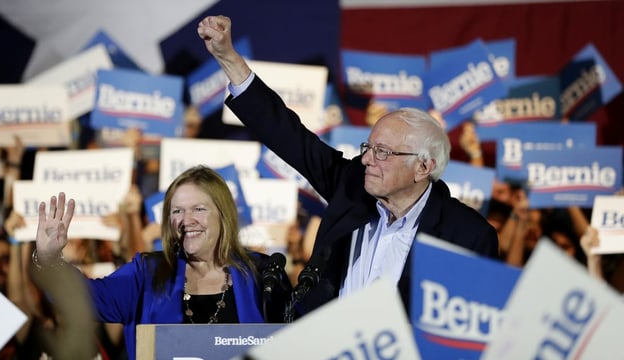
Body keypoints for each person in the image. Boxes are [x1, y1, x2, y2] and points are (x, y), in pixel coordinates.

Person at [197, 15, 499, 314]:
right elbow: (288, 136)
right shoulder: (352, 187)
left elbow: (467, 329)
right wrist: (229, 59)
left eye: (383, 152)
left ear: (423, 167)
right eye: (368, 147)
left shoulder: (467, 235)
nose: (367, 159)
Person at [32, 165, 292, 360]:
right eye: (177, 211)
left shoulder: (262, 274)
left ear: (223, 215)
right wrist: (49, 259)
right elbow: (83, 299)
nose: (185, 219)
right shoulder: (147, 274)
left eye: (198, 209)